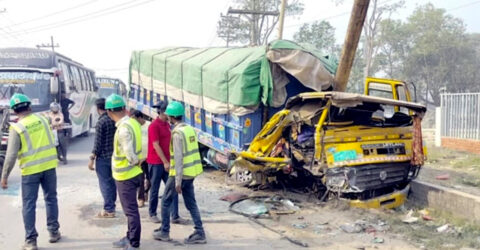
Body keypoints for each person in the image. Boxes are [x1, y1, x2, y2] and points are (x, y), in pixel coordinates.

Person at [1, 93, 61, 250]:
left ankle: (31, 241)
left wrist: (5, 176)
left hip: (30, 171)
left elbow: (11, 155)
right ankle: (54, 232)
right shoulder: (43, 119)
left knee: (29, 205)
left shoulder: (17, 128)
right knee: (51, 199)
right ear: (29, 106)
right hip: (49, 167)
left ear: (14, 111)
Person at [153, 101, 206, 244]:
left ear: (171, 117)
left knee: (165, 201)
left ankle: (164, 231)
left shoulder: (177, 134)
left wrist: (177, 181)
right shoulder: (189, 129)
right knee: (191, 202)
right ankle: (200, 232)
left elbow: (178, 158)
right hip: (191, 173)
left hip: (180, 175)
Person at [106, 94, 143, 250]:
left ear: (109, 112)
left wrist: (135, 161)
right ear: (124, 108)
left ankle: (133, 243)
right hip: (134, 174)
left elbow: (129, 153)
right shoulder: (133, 123)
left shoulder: (123, 129)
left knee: (131, 211)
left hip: (126, 176)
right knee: (131, 210)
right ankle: (129, 237)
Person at [147, 101, 186, 224]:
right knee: (154, 188)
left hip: (168, 162)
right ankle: (152, 213)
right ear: (162, 112)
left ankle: (175, 216)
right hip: (156, 162)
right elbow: (156, 145)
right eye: (167, 114)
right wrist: (165, 162)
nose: (169, 116)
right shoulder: (154, 126)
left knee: (172, 188)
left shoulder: (168, 125)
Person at [88, 98, 117, 218]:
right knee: (112, 182)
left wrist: (92, 158)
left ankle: (109, 209)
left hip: (103, 158)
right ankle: (112, 206)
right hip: (114, 157)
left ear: (97, 108)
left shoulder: (101, 122)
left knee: (105, 183)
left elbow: (98, 143)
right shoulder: (114, 120)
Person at [130, 110, 149, 208]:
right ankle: (140, 198)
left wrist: (147, 157)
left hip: (150, 158)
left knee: (150, 179)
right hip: (139, 158)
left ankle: (146, 192)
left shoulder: (149, 126)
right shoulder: (133, 128)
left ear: (140, 118)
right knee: (140, 179)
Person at [59, 92, 75, 163]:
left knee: (63, 143)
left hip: (65, 116)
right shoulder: (54, 115)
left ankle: (69, 133)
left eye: (64, 94)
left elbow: (73, 103)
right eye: (62, 95)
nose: (63, 96)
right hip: (57, 129)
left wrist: (69, 109)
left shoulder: (67, 100)